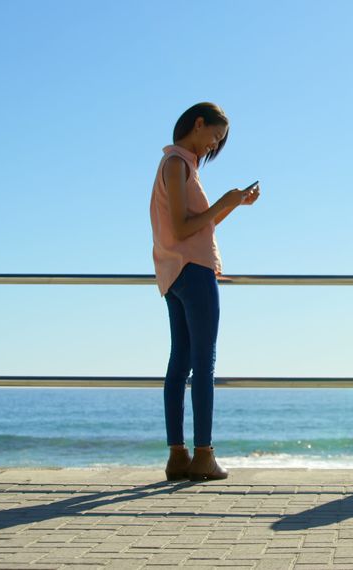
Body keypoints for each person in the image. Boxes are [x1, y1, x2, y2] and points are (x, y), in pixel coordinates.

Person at [149, 102, 260, 481]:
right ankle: (204, 455)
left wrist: (234, 205)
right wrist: (223, 202)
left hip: (174, 272)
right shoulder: (178, 164)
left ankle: (178, 456)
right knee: (203, 362)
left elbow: (199, 227)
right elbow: (183, 229)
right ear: (198, 124)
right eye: (215, 135)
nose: (215, 145)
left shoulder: (177, 165)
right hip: (193, 272)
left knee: (180, 363)